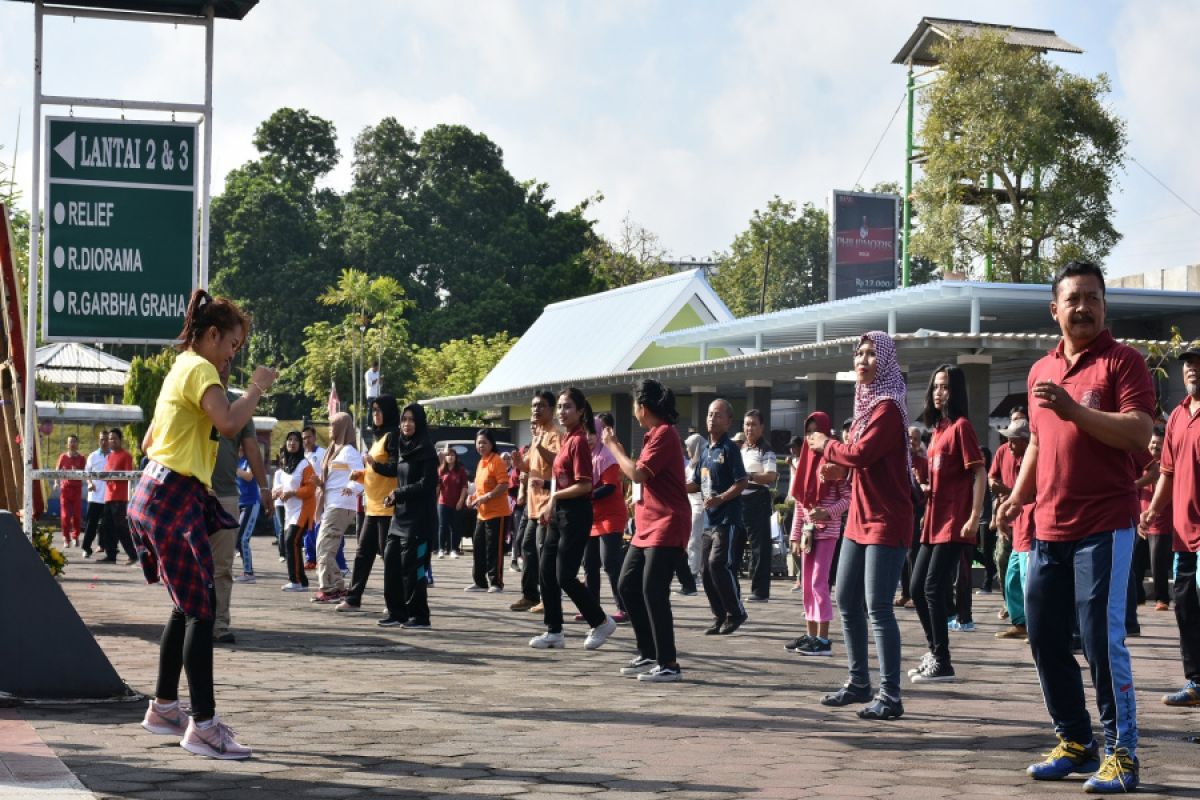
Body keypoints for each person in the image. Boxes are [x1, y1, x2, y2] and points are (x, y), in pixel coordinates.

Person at [997, 262, 1154, 793]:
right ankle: (1076, 741)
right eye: (1073, 298)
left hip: (1105, 526)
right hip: (1047, 528)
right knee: (1041, 635)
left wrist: (1072, 409)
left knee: (1101, 641)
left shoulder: (1123, 362)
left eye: (1093, 297)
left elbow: (1137, 433)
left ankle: (1122, 753)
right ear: (1055, 309)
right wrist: (1017, 498)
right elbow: (1040, 442)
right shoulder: (1041, 370)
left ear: (1105, 306)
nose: (1083, 307)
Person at [130, 288, 277, 759]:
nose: (233, 356)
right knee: (201, 609)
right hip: (173, 494)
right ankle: (203, 725)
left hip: (158, 490)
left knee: (185, 603)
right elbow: (231, 424)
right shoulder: (198, 368)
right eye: (232, 345)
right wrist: (254, 387)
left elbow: (152, 436)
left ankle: (164, 708)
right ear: (212, 335)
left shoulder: (182, 369)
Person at [806, 331, 913, 720]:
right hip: (859, 517)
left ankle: (891, 695)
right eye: (859, 354)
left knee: (878, 608)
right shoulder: (866, 406)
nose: (863, 360)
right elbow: (863, 462)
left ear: (885, 361)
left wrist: (827, 447)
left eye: (872, 354)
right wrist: (840, 466)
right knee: (847, 599)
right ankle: (858, 682)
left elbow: (865, 452)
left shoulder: (887, 407)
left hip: (887, 519)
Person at [603, 379, 690, 682]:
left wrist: (614, 447)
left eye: (635, 406)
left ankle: (669, 663)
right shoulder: (654, 435)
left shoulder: (665, 434)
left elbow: (638, 473)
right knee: (628, 585)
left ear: (643, 406)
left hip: (667, 524)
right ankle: (649, 652)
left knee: (654, 590)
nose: (635, 412)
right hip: (647, 525)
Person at [907, 365, 985, 683]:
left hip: (955, 522)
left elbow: (979, 473)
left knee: (932, 587)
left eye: (946, 387)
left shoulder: (962, 427)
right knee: (916, 587)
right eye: (936, 386)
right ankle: (935, 652)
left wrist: (974, 516)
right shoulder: (938, 430)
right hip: (933, 520)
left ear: (957, 391)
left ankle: (943, 660)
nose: (939, 392)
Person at [528, 388, 618, 650]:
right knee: (546, 572)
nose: (562, 411)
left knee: (565, 575)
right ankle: (554, 630)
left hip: (576, 513)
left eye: (568, 407)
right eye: (560, 407)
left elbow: (585, 485)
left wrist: (553, 498)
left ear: (580, 411)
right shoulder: (567, 438)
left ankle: (601, 621)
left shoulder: (578, 440)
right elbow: (560, 467)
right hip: (559, 513)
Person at [1140, 344, 1200, 710]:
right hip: (1182, 534)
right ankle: (1195, 682)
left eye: (1198, 364)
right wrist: (1152, 511)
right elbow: (1167, 473)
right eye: (1188, 365)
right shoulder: (1177, 417)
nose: (1192, 370)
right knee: (1185, 607)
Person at [785, 412, 850, 657]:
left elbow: (848, 497)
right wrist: (794, 535)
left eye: (816, 431)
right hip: (807, 535)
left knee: (818, 584)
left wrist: (828, 512)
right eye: (808, 432)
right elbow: (801, 503)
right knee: (806, 586)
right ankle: (811, 635)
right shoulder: (805, 461)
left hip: (827, 533)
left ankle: (823, 639)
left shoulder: (833, 462)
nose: (812, 437)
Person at [687, 399, 749, 636]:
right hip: (709, 520)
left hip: (728, 519)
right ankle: (719, 616)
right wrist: (673, 487)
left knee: (718, 564)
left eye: (718, 415)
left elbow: (741, 481)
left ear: (729, 421)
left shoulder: (729, 449)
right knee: (705, 569)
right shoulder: (704, 451)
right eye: (710, 414)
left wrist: (721, 498)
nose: (713, 419)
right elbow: (696, 483)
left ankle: (736, 612)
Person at [378, 403, 438, 629]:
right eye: (404, 420)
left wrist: (399, 493)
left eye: (412, 420)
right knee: (391, 561)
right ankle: (397, 612)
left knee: (413, 569)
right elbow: (396, 473)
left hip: (419, 520)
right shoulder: (403, 449)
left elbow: (427, 484)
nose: (407, 424)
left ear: (419, 423)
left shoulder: (427, 450)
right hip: (399, 517)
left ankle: (419, 616)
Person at [338, 396, 400, 613]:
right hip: (371, 506)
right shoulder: (378, 437)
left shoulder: (393, 436)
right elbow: (375, 472)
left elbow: (394, 469)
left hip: (387, 507)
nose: (375, 414)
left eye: (379, 410)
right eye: (373, 410)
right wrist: (361, 474)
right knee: (363, 553)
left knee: (388, 556)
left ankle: (393, 602)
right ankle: (353, 598)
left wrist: (373, 464)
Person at [510, 392, 559, 613]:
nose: (536, 410)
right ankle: (530, 595)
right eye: (533, 406)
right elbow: (529, 466)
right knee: (527, 548)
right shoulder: (538, 433)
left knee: (544, 553)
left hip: (547, 505)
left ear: (551, 409)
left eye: (540, 406)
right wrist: (519, 463)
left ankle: (548, 600)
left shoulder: (555, 434)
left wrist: (539, 447)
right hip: (532, 505)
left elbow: (559, 463)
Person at [311, 413, 364, 604]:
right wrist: (320, 482)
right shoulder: (334, 450)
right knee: (325, 547)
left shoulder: (349, 451)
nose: (330, 429)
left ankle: (330, 588)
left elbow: (361, 474)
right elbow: (333, 478)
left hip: (340, 505)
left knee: (324, 547)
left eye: (333, 426)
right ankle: (337, 587)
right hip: (332, 503)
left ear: (343, 428)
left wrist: (351, 488)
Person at [582, 413, 627, 623]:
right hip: (591, 517)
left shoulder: (608, 455)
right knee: (589, 564)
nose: (589, 437)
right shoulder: (587, 456)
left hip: (611, 516)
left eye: (592, 433)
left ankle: (625, 608)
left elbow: (609, 487)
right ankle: (592, 609)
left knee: (610, 563)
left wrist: (585, 495)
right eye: (585, 433)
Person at [992, 418, 1032, 640]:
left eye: (1013, 441)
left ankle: (1035, 625)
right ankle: (1020, 622)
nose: (1009, 445)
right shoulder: (1006, 454)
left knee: (1028, 580)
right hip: (1016, 526)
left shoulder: (1033, 460)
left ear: (1025, 441)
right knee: (1012, 577)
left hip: (1031, 526)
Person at [740, 409, 778, 603]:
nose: (749, 428)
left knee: (760, 548)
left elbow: (771, 476)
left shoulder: (766, 450)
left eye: (754, 424)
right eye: (747, 424)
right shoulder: (742, 449)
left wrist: (750, 477)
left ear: (761, 427)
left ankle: (760, 591)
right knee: (734, 545)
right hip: (740, 501)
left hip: (758, 499)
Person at [466, 428, 510, 593]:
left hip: (497, 513)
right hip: (482, 513)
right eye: (478, 443)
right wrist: (472, 497)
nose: (481, 445)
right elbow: (479, 488)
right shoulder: (481, 462)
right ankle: (479, 581)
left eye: (484, 442)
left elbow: (504, 484)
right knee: (478, 547)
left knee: (494, 549)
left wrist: (487, 497)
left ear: (492, 444)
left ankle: (496, 582)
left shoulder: (496, 460)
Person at [276, 431, 317, 592]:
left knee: (290, 541)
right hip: (290, 510)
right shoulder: (285, 463)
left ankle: (296, 581)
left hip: (303, 509)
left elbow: (310, 489)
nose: (292, 442)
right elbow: (287, 485)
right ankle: (302, 581)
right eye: (289, 439)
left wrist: (293, 493)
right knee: (293, 543)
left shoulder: (305, 464)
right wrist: (278, 491)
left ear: (300, 445)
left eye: (295, 440)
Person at [1137, 429, 1173, 611]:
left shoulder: (1169, 467)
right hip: (1139, 522)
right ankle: (1137, 597)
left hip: (1161, 523)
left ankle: (1162, 599)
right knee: (1135, 561)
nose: (1155, 446)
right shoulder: (1141, 466)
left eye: (1159, 444)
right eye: (1152, 443)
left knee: (1157, 563)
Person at [896, 426, 928, 608]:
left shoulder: (924, 462)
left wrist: (922, 484)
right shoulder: (898, 460)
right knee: (901, 554)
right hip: (900, 512)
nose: (912, 442)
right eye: (909, 437)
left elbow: (930, 489)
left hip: (917, 511)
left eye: (916, 439)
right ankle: (905, 593)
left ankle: (916, 594)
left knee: (913, 554)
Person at [101, 429, 138, 564]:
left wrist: (114, 476)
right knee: (106, 526)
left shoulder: (126, 456)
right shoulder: (109, 456)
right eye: (110, 439)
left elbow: (129, 475)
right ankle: (111, 555)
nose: (112, 441)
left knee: (121, 527)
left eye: (115, 438)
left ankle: (133, 554)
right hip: (109, 496)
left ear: (120, 440)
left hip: (120, 497)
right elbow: (105, 474)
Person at [679, 432, 706, 596]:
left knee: (695, 540)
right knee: (690, 540)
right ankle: (692, 570)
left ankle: (694, 572)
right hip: (689, 504)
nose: (687, 450)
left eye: (690, 447)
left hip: (699, 505)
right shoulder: (690, 464)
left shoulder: (702, 464)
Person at [300, 426, 326, 569]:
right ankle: (311, 559)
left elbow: (326, 473)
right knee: (306, 529)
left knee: (318, 527)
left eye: (309, 437)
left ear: (314, 437)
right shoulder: (301, 455)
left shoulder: (322, 453)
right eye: (304, 438)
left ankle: (321, 557)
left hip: (319, 496)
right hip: (305, 498)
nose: (306, 440)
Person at [81, 430, 109, 558]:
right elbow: (86, 473)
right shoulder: (93, 456)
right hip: (95, 496)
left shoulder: (113, 456)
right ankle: (86, 548)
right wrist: (90, 483)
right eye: (101, 439)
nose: (104, 442)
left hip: (108, 496)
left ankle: (104, 546)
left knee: (106, 524)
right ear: (99, 440)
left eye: (106, 439)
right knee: (91, 524)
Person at [436, 448, 469, 558]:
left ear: (456, 457)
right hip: (442, 502)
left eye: (452, 455)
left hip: (456, 502)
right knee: (442, 526)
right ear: (444, 457)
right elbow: (437, 487)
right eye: (448, 455)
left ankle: (453, 549)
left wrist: (461, 500)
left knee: (455, 526)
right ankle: (441, 549)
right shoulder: (441, 470)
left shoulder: (461, 470)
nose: (450, 457)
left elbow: (464, 487)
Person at [55, 435, 86, 548]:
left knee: (77, 515)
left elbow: (85, 472)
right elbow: (57, 471)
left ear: (77, 444)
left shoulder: (82, 458)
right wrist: (56, 482)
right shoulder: (63, 457)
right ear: (67, 444)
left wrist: (77, 472)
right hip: (65, 490)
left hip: (77, 489)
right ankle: (66, 538)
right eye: (70, 442)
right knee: (65, 516)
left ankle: (75, 536)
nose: (72, 444)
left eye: (74, 442)